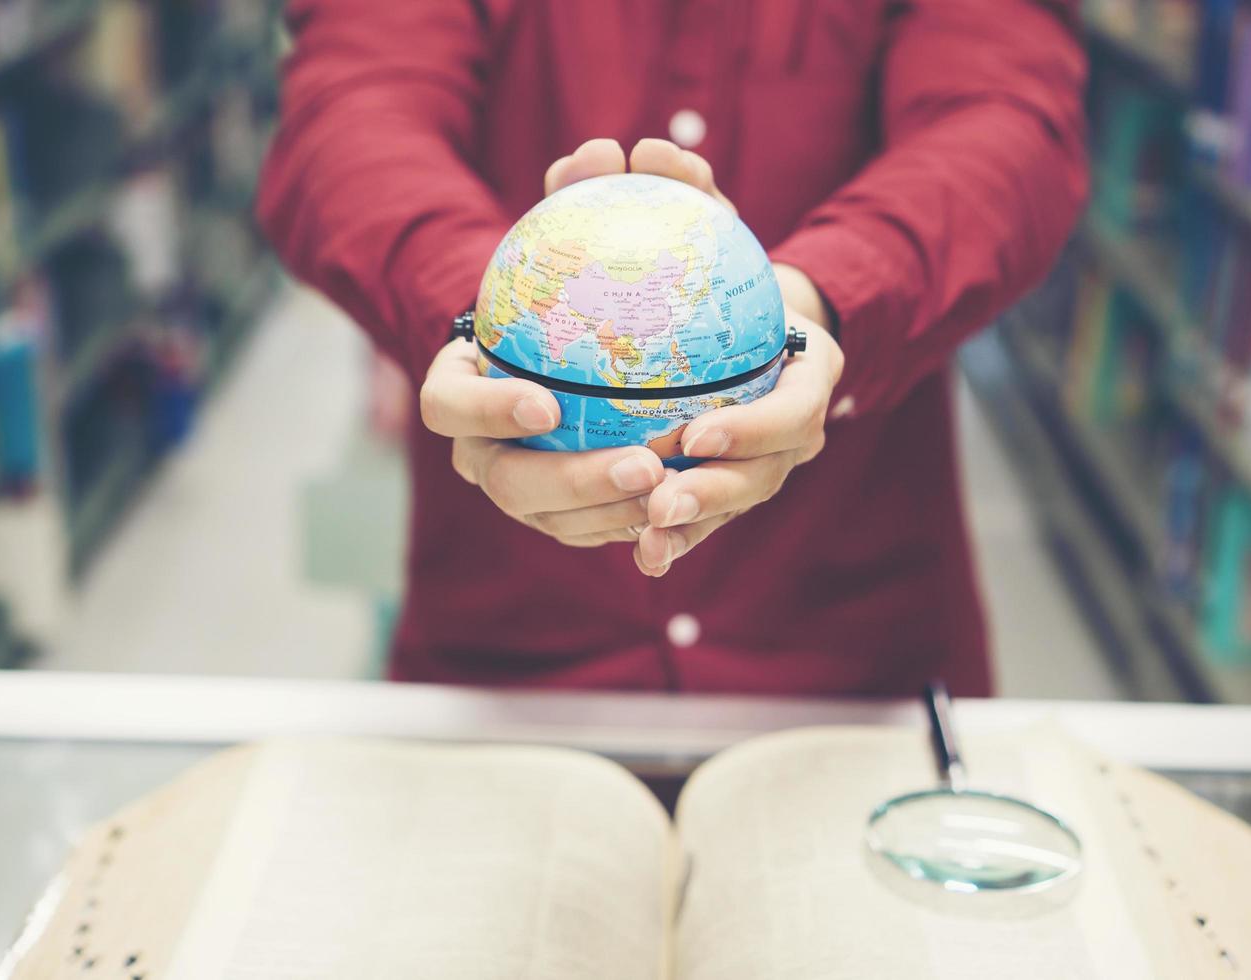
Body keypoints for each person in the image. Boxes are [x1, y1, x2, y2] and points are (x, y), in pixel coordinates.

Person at [257, 0, 1087, 697]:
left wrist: (813, 303)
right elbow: (350, 112)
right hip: (509, 660)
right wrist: (505, 311)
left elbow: (1008, 117)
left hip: (856, 663)